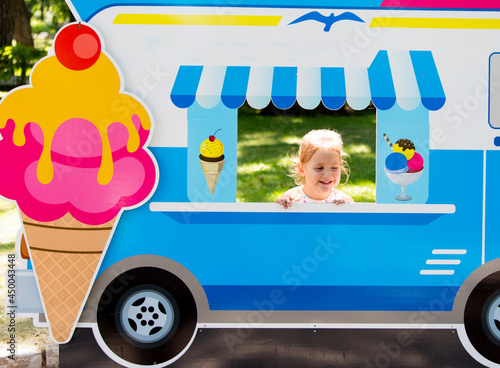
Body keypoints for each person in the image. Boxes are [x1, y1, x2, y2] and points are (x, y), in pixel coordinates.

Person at [276, 129, 354, 209]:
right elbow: (279, 220)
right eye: (319, 168)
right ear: (302, 169)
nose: (327, 174)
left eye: (334, 168)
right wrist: (282, 207)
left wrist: (345, 210)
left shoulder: (343, 200)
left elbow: (355, 220)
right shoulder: (291, 198)